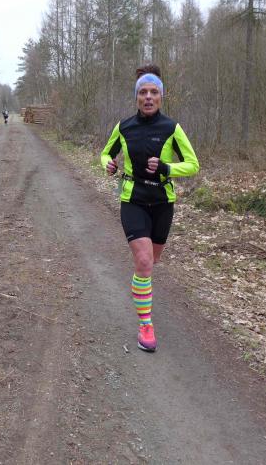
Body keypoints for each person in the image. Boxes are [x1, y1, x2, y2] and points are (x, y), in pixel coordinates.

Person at [100, 65, 199, 352]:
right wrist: (107, 164)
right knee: (144, 262)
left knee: (151, 262)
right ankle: (146, 325)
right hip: (133, 199)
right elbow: (105, 153)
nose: (148, 97)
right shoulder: (124, 127)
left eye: (153, 92)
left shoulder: (172, 128)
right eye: (142, 92)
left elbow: (193, 164)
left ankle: (140, 287)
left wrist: (167, 168)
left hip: (162, 203)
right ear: (136, 97)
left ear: (161, 97)